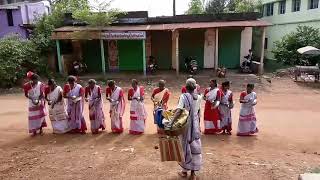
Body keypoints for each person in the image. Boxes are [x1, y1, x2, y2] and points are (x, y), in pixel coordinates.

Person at [172, 78, 202, 180]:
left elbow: (179, 111)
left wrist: (171, 122)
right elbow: (198, 112)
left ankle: (184, 172)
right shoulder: (198, 97)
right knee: (194, 147)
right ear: (194, 87)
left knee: (185, 146)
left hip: (186, 124)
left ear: (186, 87)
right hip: (195, 124)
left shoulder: (183, 97)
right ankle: (193, 174)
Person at [23, 72, 47, 136]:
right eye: (34, 80)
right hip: (31, 102)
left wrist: (38, 100)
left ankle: (41, 129)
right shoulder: (26, 85)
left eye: (37, 80)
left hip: (39, 102)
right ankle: (34, 131)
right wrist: (32, 99)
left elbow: (42, 94)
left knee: (40, 116)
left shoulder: (41, 84)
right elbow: (26, 94)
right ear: (31, 80)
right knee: (32, 117)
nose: (36, 81)